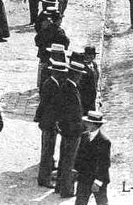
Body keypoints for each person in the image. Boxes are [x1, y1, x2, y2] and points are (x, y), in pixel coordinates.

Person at [35, 60, 67, 188]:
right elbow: (47, 105)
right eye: (61, 73)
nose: (63, 75)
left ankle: (44, 177)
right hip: (49, 123)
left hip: (48, 122)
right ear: (56, 72)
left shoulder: (52, 83)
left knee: (48, 150)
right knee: (47, 152)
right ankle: (44, 179)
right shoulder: (51, 85)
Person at [56, 61, 86, 197]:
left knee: (63, 158)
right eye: (80, 75)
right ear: (76, 75)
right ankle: (66, 190)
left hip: (66, 130)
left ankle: (59, 186)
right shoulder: (71, 90)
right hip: (73, 131)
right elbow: (72, 113)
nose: (80, 77)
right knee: (69, 160)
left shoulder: (65, 87)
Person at [74, 111, 111, 205]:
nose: (85, 124)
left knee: (101, 202)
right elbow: (79, 156)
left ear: (95, 125)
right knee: (80, 202)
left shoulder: (104, 141)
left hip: (98, 179)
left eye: (88, 122)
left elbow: (104, 164)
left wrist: (98, 182)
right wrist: (75, 170)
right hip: (84, 177)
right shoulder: (84, 136)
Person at [79, 46, 100, 114]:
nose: (90, 57)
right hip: (84, 97)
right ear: (84, 55)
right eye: (88, 54)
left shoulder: (94, 64)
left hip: (93, 96)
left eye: (92, 55)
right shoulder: (81, 66)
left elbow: (96, 79)